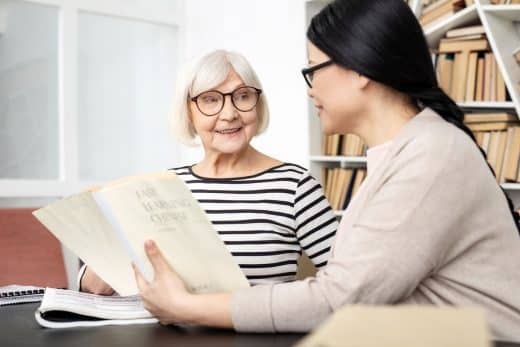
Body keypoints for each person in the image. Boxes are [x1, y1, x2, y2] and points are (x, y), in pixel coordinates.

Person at [131, 0, 520, 342]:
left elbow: (339, 297)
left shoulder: (432, 156)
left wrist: (186, 307)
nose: (310, 88)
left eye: (314, 69)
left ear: (358, 69)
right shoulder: (405, 153)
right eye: (210, 101)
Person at [79, 50, 338, 293]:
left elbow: (348, 281)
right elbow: (96, 287)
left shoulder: (294, 185)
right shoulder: (165, 188)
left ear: (258, 104)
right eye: (210, 100)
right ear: (189, 113)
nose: (229, 114)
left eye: (243, 96)